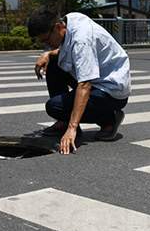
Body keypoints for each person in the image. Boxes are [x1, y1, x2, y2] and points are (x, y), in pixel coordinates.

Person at [27, 10, 131, 155]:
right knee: (52, 63)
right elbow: (68, 51)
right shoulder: (70, 19)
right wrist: (48, 54)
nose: (46, 45)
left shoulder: (81, 41)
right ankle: (63, 122)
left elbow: (85, 84)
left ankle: (110, 118)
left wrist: (72, 128)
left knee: (54, 107)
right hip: (98, 79)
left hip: (111, 90)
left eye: (46, 40)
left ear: (57, 27)